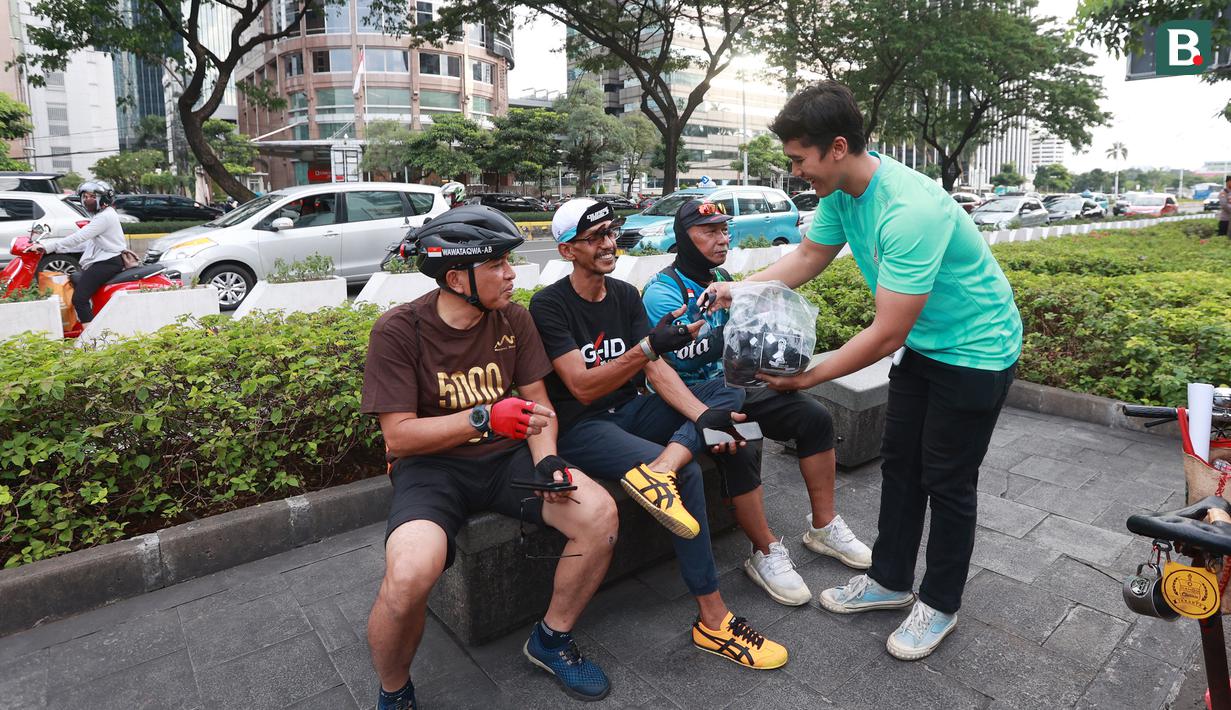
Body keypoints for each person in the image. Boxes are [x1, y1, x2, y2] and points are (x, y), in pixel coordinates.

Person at [701, 81, 1022, 661]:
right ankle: (892, 580)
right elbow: (807, 257)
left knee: (946, 481)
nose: (796, 172)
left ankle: (940, 603)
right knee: (901, 466)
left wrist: (808, 377)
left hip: (976, 350)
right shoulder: (843, 195)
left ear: (838, 147)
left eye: (800, 160)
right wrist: (736, 290)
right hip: (926, 346)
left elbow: (886, 331)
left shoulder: (910, 209)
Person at [361, 205, 619, 708]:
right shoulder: (398, 331)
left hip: (509, 462)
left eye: (509, 262)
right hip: (433, 470)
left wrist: (546, 459)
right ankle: (395, 691)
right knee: (409, 575)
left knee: (600, 514)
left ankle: (551, 639)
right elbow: (399, 439)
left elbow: (538, 405)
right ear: (457, 278)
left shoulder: (513, 319)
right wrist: (482, 418)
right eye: (498, 264)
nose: (511, 274)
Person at [529, 198, 788, 671]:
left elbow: (661, 368)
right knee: (691, 476)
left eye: (611, 232)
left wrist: (701, 414)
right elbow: (582, 387)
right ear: (567, 251)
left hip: (632, 409)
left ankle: (662, 469)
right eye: (595, 238)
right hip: (583, 428)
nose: (608, 244)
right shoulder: (549, 305)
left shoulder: (625, 295)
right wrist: (649, 347)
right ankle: (713, 618)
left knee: (726, 391)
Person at [642, 198, 872, 608]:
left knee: (813, 417)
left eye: (723, 229)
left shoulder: (725, 278)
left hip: (738, 385)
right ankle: (765, 551)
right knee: (739, 439)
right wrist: (730, 336)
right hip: (693, 399)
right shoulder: (662, 292)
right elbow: (674, 359)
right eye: (709, 231)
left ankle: (823, 526)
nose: (721, 238)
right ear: (684, 238)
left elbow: (746, 341)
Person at [25, 181, 126, 325]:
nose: (86, 200)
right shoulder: (101, 215)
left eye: (91, 196)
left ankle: (91, 338)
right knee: (76, 281)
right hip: (103, 260)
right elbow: (87, 242)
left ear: (103, 199)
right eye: (84, 197)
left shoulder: (105, 217)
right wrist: (53, 245)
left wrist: (47, 247)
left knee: (79, 299)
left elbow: (79, 237)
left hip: (107, 263)